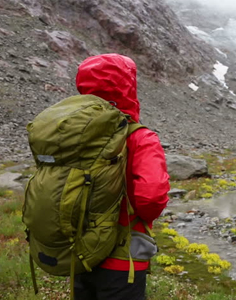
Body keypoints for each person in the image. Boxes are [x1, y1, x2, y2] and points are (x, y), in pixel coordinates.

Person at [73, 53, 170, 300]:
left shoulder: (71, 133)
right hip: (123, 259)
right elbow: (151, 198)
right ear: (129, 86)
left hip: (79, 251)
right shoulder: (139, 137)